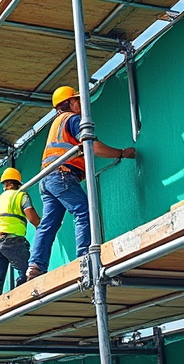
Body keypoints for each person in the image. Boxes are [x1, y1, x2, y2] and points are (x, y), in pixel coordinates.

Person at [27, 86, 136, 278]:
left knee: (49, 224)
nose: (80, 104)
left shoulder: (57, 123)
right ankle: (84, 256)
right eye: (77, 100)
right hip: (62, 175)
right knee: (83, 210)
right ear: (68, 103)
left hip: (48, 179)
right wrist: (121, 153)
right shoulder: (73, 119)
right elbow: (93, 146)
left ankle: (35, 266)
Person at [0, 168, 41, 300]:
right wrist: (44, 228)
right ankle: (23, 295)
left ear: (4, 183)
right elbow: (32, 217)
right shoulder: (20, 196)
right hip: (11, 240)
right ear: (18, 183)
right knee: (28, 269)